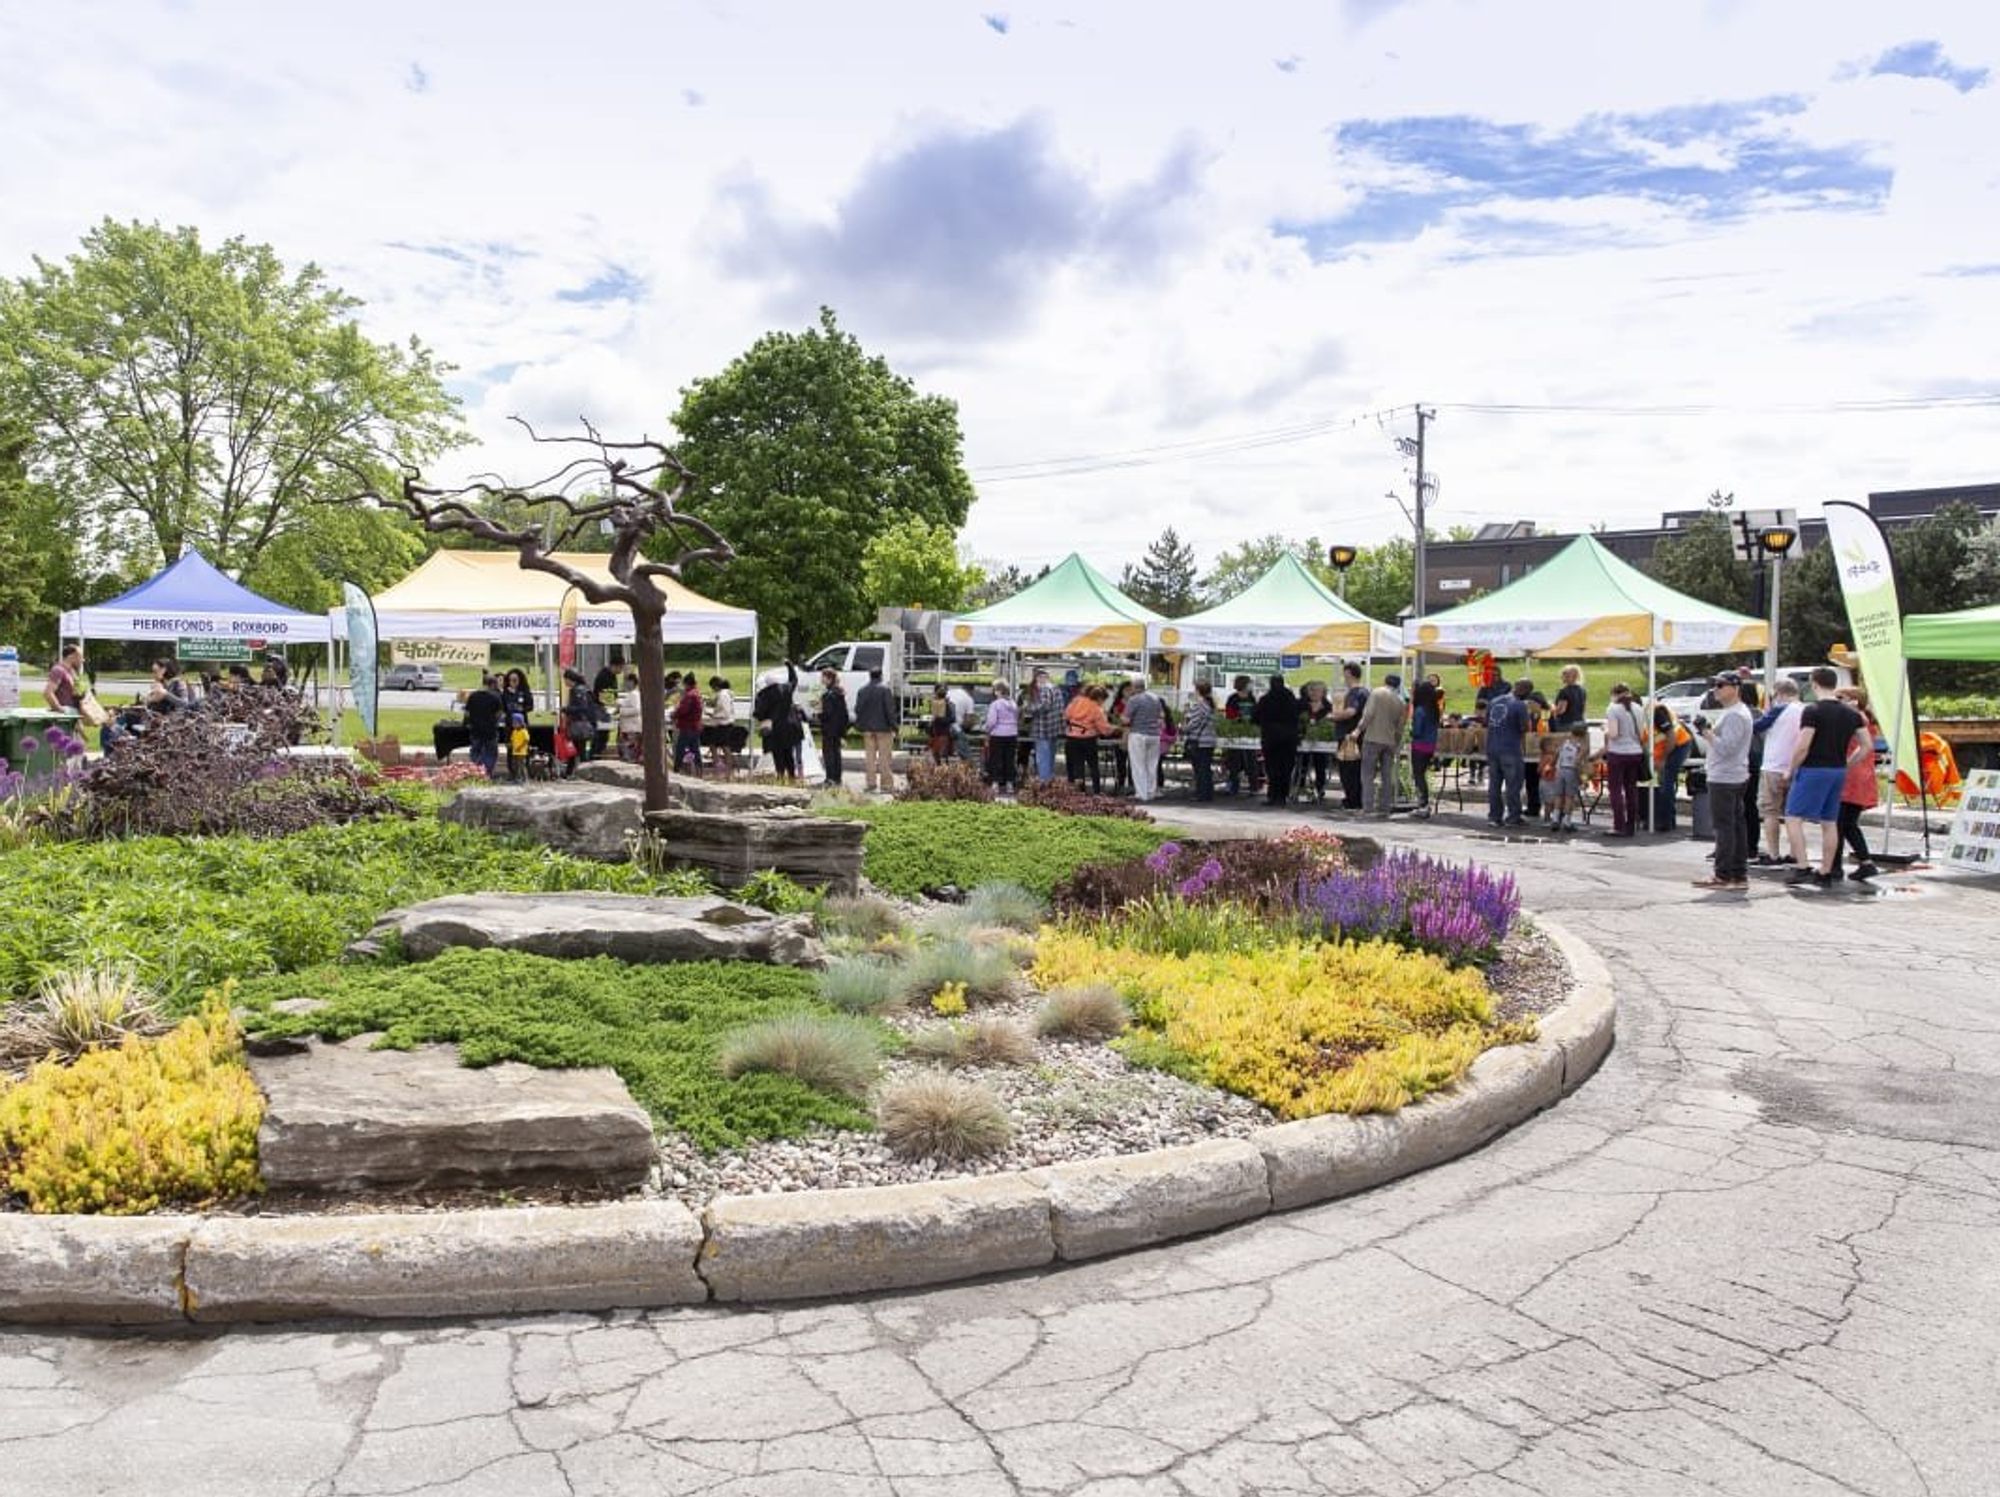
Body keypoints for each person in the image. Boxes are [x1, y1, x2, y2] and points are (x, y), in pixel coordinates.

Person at [1784, 666, 1870, 887]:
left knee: (1793, 817)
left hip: (1813, 769)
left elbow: (1803, 745)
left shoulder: (1812, 711)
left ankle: (1802, 867)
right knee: (1829, 821)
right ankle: (1825, 870)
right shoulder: (1852, 714)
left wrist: (1791, 769)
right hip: (1837, 770)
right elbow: (1866, 745)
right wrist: (1849, 763)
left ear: (1814, 684)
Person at [1693, 675, 1754, 889]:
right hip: (1732, 774)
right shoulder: (1734, 713)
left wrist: (1707, 733)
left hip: (1725, 776)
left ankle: (1724, 874)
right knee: (1735, 825)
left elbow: (1726, 748)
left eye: (1720, 686)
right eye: (1713, 686)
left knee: (1724, 827)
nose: (1715, 690)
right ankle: (1737, 874)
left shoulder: (1735, 715)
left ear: (1735, 688)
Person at [1753, 678, 1806, 866]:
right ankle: (1795, 853)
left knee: (1770, 812)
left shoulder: (1779, 709)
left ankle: (1774, 855)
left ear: (1779, 693)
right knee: (1794, 814)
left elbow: (1756, 727)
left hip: (1774, 766)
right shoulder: (1805, 709)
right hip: (1797, 766)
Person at [1833, 687, 1883, 881]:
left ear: (1854, 700)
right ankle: (1866, 862)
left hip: (1851, 776)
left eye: (1840, 698)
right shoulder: (1865, 718)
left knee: (1838, 823)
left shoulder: (1855, 718)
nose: (1836, 701)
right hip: (1863, 775)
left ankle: (1834, 866)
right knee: (1848, 824)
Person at [1485, 678, 1533, 827]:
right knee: (1513, 785)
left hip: (1492, 747)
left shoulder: (1494, 701)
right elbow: (1525, 727)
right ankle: (1513, 816)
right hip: (1510, 748)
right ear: (1526, 691)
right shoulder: (1520, 705)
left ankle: (1494, 816)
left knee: (1494, 785)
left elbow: (1487, 721)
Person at [1358, 672, 1406, 817]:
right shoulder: (1400, 701)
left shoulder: (1377, 693)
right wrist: (1396, 742)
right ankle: (1385, 807)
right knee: (1386, 776)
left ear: (1385, 681)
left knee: (1367, 775)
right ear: (1398, 685)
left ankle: (1368, 807)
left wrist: (1359, 729)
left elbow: (1369, 714)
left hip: (1373, 738)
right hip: (1390, 741)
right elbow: (1401, 726)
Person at [1601, 683, 1646, 837]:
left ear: (1614, 694)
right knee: (1631, 789)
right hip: (1635, 752)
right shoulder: (1638, 708)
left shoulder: (1613, 709)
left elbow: (1613, 734)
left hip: (1618, 752)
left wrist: (1605, 729)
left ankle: (1618, 825)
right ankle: (1631, 825)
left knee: (1615, 790)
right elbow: (1642, 731)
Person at [1252, 673, 1300, 808]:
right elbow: (1297, 717)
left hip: (1271, 738)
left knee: (1272, 769)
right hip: (1289, 739)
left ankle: (1272, 796)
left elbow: (1254, 718)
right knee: (1286, 769)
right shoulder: (1291, 699)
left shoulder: (1265, 699)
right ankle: (1283, 797)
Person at [853, 667, 899, 792]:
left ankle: (871, 783)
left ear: (870, 675)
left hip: (867, 729)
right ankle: (886, 785)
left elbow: (857, 709)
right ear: (881, 676)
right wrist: (895, 726)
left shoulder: (862, 691)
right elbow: (889, 710)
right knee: (884, 758)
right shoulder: (885, 690)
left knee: (870, 758)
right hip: (883, 729)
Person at [1651, 698, 1694, 833]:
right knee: (1664, 782)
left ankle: (1666, 821)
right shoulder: (1650, 711)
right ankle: (1666, 820)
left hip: (1679, 745)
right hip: (1671, 746)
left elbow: (1671, 736)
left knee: (1666, 781)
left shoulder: (1656, 712)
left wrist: (1663, 759)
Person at [758, 662, 803, 780]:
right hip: (789, 727)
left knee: (778, 754)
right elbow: (794, 680)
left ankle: (780, 775)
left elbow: (759, 713)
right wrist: (790, 666)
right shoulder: (786, 688)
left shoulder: (763, 694)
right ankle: (792, 776)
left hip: (774, 729)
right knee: (788, 753)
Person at [1332, 664, 1368, 810]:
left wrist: (1334, 716)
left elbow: (1351, 712)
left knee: (1348, 770)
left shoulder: (1355, 693)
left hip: (1349, 737)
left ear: (1349, 674)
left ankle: (1352, 801)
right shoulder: (1366, 692)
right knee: (1357, 770)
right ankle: (1356, 799)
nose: (1343, 678)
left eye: (1344, 674)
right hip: (1359, 736)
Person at [1124, 678, 1165, 802]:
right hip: (1154, 735)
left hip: (1138, 734)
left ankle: (1141, 794)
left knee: (1138, 765)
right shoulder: (1155, 698)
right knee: (1152, 765)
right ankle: (1151, 791)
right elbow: (1161, 716)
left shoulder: (1134, 700)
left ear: (1134, 687)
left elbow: (1126, 719)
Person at [1064, 684, 1112, 791]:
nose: (1103, 703)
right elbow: (1104, 729)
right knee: (1093, 765)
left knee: (1077, 766)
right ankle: (1096, 790)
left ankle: (1078, 791)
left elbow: (1066, 715)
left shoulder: (1076, 701)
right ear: (1100, 698)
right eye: (1103, 700)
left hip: (1072, 738)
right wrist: (1113, 729)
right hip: (1088, 739)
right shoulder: (1096, 708)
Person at [1022, 667, 1064, 783]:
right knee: (1050, 757)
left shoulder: (1045, 689)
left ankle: (1044, 783)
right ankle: (1049, 781)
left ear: (1040, 678)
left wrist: (1029, 708)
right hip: (1054, 729)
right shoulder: (1056, 689)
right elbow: (1060, 708)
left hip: (1043, 729)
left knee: (1042, 758)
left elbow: (1044, 706)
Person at [1223, 676, 1261, 796]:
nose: (1251, 686)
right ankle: (1234, 785)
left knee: (1251, 761)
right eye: (1249, 683)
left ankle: (1253, 786)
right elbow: (1229, 714)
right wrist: (1237, 718)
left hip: (1249, 732)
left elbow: (1256, 713)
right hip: (1236, 732)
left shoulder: (1252, 698)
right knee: (1234, 760)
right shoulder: (1233, 698)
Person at [1298, 681, 1335, 801]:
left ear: (1323, 693)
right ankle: (1300, 786)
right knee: (1302, 763)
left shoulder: (1328, 706)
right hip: (1304, 739)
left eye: (1317, 691)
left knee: (1320, 764)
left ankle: (1320, 788)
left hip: (1321, 740)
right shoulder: (1301, 704)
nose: (1314, 693)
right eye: (1312, 690)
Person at [1549, 723, 1590, 833]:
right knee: (1569, 797)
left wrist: (1551, 765)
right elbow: (1578, 763)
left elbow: (1556, 755)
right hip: (1571, 771)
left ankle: (1555, 819)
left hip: (1560, 770)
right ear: (1584, 734)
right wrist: (1584, 778)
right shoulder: (1582, 746)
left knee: (1558, 795)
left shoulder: (1564, 743)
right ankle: (1567, 821)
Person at [463, 672, 505, 779]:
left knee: (476, 752)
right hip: (490, 730)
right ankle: (487, 773)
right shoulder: (495, 697)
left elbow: (467, 713)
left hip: (475, 730)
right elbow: (499, 714)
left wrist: (468, 722)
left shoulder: (473, 696)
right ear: (492, 685)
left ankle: (476, 773)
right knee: (490, 753)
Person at [1183, 680, 1218, 802]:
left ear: (1198, 691)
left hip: (1200, 741)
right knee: (1206, 768)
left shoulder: (1199, 705)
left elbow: (1193, 723)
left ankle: (1202, 794)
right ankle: (1207, 793)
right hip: (1209, 740)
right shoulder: (1211, 705)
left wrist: (1184, 727)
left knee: (1200, 769)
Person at [1409, 678, 1440, 815]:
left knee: (1418, 775)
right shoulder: (1434, 710)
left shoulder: (1420, 710)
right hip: (1430, 745)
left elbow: (1417, 731)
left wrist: (1411, 731)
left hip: (1419, 745)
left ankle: (1423, 803)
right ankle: (1424, 803)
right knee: (1422, 774)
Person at [982, 680, 1019, 795]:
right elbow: (1017, 718)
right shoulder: (1013, 703)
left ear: (999, 691)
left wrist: (986, 730)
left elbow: (991, 721)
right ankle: (1010, 784)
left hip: (998, 735)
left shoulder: (995, 704)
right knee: (1009, 759)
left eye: (995, 689)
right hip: (1012, 734)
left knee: (996, 759)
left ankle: (995, 783)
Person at [499, 669, 536, 782]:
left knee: (522, 749)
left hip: (521, 723)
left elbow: (530, 706)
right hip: (510, 724)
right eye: (510, 680)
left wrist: (522, 708)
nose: (512, 682)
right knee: (510, 748)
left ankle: (523, 773)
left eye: (515, 680)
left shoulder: (524, 692)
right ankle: (512, 772)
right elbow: (502, 707)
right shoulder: (505, 692)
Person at [817, 667, 850, 788]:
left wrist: (819, 714)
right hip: (838, 729)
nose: (821, 679)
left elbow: (827, 714)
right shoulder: (839, 693)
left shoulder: (828, 695)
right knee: (836, 753)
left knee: (829, 754)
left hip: (829, 729)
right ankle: (837, 777)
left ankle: (830, 777)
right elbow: (844, 714)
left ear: (829, 679)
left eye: (823, 677)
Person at [706, 675, 741, 773]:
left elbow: (724, 711)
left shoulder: (723, 695)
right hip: (726, 723)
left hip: (723, 724)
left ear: (715, 686)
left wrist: (713, 715)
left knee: (723, 746)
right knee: (720, 745)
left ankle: (723, 766)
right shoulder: (726, 694)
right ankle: (721, 765)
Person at [1107, 681, 1136, 793]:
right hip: (1119, 734)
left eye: (1131, 689)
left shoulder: (1136, 702)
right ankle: (1121, 783)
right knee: (1120, 760)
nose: (1129, 692)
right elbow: (1111, 718)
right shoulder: (1117, 703)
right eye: (1126, 690)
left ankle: (1132, 784)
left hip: (1133, 733)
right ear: (1122, 691)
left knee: (1133, 762)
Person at [672, 676, 704, 772]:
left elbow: (683, 710)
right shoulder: (696, 693)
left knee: (680, 749)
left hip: (687, 726)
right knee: (694, 749)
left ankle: (677, 769)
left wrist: (674, 714)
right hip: (695, 726)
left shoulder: (690, 695)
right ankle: (699, 769)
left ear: (686, 684)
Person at [44, 644, 84, 711]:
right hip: (64, 718)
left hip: (74, 715)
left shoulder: (72, 671)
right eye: (80, 657)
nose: (83, 660)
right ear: (71, 656)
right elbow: (48, 693)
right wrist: (59, 709)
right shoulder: (58, 670)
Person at [946, 681, 977, 765]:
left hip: (940, 725)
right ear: (971, 690)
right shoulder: (968, 699)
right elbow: (969, 720)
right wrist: (969, 726)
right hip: (954, 725)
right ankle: (969, 765)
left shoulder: (949, 692)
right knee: (963, 745)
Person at [1548, 665, 1587, 732]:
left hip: (1566, 724)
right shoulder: (1582, 690)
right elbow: (1583, 708)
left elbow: (1561, 710)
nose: (1561, 677)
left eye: (1564, 674)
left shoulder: (1564, 691)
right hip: (1580, 723)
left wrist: (1551, 707)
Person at [616, 672, 644, 763]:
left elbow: (636, 709)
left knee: (630, 753)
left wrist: (621, 711)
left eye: (627, 681)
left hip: (632, 728)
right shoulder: (632, 694)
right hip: (628, 727)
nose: (625, 684)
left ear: (632, 682)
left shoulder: (634, 695)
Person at [926, 685, 957, 763]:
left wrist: (940, 719)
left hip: (943, 734)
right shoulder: (934, 704)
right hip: (935, 734)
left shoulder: (949, 705)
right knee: (936, 756)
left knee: (942, 756)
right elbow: (932, 718)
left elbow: (952, 718)